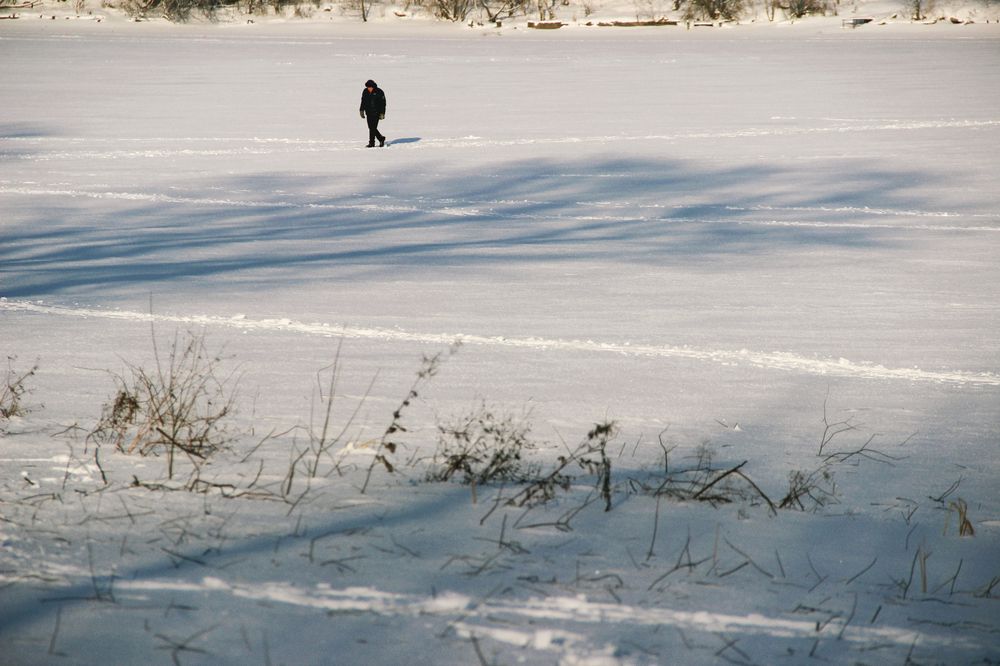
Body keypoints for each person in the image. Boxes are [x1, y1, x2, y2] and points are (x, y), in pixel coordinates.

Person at [359, 79, 387, 148]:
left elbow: (383, 103)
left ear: (373, 86)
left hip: (376, 113)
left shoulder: (379, 92)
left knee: (372, 128)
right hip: (368, 112)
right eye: (368, 87)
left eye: (370, 87)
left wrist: (382, 113)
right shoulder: (365, 91)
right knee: (371, 128)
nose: (369, 88)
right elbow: (363, 101)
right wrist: (361, 110)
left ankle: (371, 143)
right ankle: (381, 138)